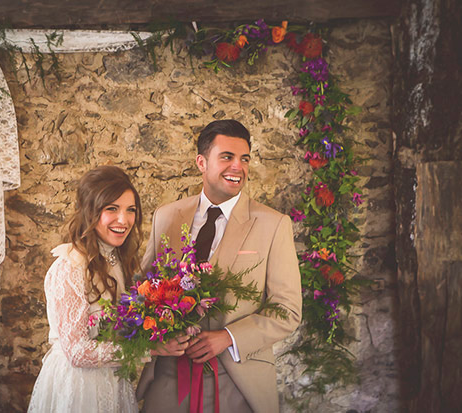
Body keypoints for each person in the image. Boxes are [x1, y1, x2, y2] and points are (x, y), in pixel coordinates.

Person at [136, 120, 303, 413]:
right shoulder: (166, 217)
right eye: (227, 157)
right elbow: (142, 291)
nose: (238, 167)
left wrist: (228, 338)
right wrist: (156, 341)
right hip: (167, 380)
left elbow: (287, 311)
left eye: (245, 159)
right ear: (201, 162)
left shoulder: (274, 225)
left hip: (237, 382)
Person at [27, 165, 143, 413]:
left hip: (112, 382)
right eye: (112, 209)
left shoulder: (118, 261)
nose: (124, 220)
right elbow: (78, 352)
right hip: (79, 388)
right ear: (90, 212)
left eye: (130, 210)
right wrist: (146, 349)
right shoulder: (70, 266)